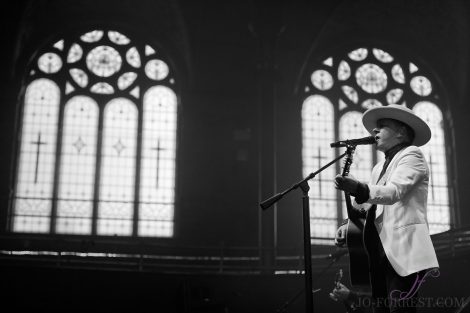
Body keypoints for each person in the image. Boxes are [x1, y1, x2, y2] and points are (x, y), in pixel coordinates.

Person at [333, 104, 439, 313]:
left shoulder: (412, 155)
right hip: (379, 255)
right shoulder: (378, 168)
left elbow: (392, 193)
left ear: (401, 132)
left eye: (382, 126)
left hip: (403, 252)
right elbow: (370, 207)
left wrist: (359, 188)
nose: (374, 131)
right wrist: (348, 225)